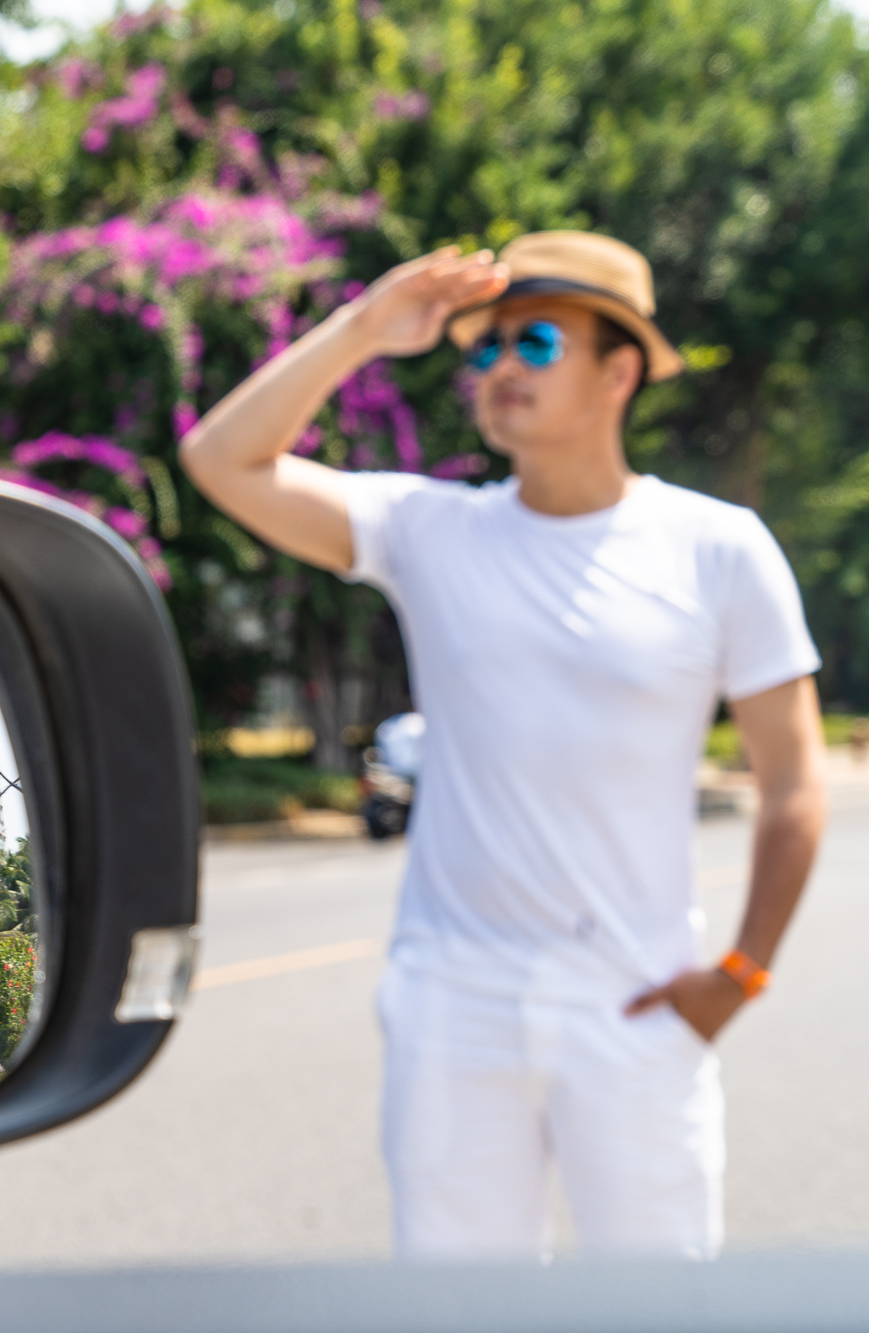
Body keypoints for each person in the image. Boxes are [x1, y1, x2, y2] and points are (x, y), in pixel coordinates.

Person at [181, 231, 827, 1261]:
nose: (495, 370)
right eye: (480, 351)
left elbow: (792, 784)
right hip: (453, 1006)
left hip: (637, 1002)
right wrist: (360, 328)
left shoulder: (716, 547)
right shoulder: (427, 528)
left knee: (658, 1311)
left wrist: (739, 972)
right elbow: (220, 460)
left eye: (532, 340)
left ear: (618, 370)